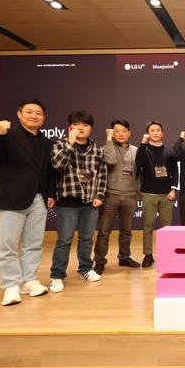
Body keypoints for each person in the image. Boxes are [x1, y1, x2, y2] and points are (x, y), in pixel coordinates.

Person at [0, 99, 55, 305]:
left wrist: (51, 194)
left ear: (43, 117)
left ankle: (29, 281)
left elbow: (49, 172)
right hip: (10, 198)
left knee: (34, 244)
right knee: (7, 245)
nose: (34, 116)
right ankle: (11, 285)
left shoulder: (47, 143)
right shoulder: (8, 136)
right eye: (29, 112)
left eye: (38, 113)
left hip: (39, 200)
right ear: (19, 114)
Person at [49, 110, 107, 293]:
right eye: (76, 124)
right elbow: (57, 165)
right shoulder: (60, 145)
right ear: (70, 127)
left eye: (85, 125)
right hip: (68, 201)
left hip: (90, 202)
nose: (81, 128)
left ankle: (85, 269)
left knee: (87, 239)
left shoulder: (97, 149)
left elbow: (102, 174)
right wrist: (70, 143)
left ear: (91, 128)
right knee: (64, 240)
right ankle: (57, 275)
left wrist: (99, 195)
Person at [92, 119, 141, 275]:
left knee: (126, 231)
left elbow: (140, 172)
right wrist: (108, 139)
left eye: (124, 131)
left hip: (130, 195)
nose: (120, 134)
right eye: (116, 131)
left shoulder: (136, 150)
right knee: (104, 231)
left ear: (129, 133)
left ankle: (124, 257)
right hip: (110, 195)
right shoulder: (107, 148)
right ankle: (100, 261)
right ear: (112, 133)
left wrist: (137, 191)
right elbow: (110, 160)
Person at [135, 120, 178, 268]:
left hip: (167, 194)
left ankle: (167, 253)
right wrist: (142, 143)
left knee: (166, 226)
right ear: (148, 133)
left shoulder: (169, 150)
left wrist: (173, 188)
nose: (155, 132)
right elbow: (139, 162)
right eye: (152, 130)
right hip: (148, 193)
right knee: (148, 225)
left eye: (158, 130)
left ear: (162, 133)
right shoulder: (144, 149)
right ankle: (148, 255)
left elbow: (175, 170)